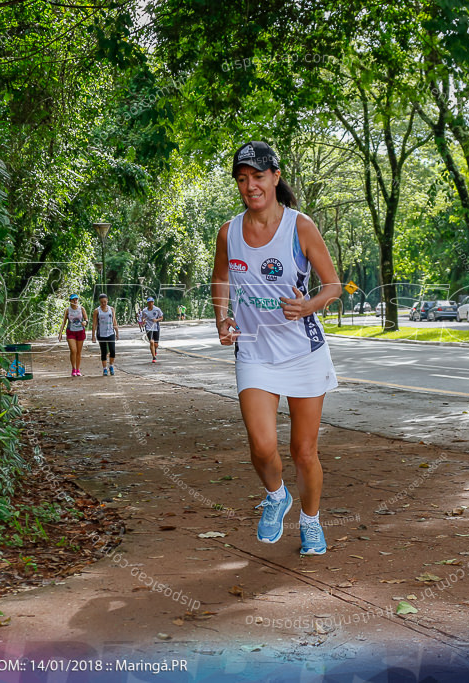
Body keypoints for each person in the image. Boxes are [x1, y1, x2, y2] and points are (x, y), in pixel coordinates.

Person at [212, 140, 341, 556]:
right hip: (253, 351)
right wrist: (222, 318)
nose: (250, 186)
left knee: (304, 451)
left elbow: (333, 285)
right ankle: (275, 496)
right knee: (262, 446)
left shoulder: (300, 227)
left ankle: (311, 521)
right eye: (242, 179)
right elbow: (220, 282)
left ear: (275, 178)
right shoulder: (229, 233)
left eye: (258, 177)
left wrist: (310, 304)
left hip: (303, 352)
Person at [91, 293, 120, 376]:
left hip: (110, 333)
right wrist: (93, 336)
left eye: (105, 301)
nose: (103, 303)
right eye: (101, 302)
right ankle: (104, 369)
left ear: (107, 301)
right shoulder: (97, 311)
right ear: (99, 302)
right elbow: (94, 324)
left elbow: (114, 321)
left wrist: (117, 332)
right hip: (101, 334)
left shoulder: (111, 309)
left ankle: (111, 365)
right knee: (104, 352)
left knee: (112, 351)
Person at [59, 294, 87, 376]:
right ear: (70, 301)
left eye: (76, 299)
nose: (75, 301)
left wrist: (85, 322)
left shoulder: (81, 309)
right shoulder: (67, 310)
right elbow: (64, 322)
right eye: (73, 300)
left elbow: (86, 319)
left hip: (80, 331)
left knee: (78, 352)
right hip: (71, 332)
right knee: (73, 350)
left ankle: (78, 369)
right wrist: (60, 333)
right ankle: (73, 368)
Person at [138, 297, 164, 363]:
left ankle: (154, 350)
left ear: (153, 302)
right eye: (149, 302)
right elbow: (142, 317)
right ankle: (154, 357)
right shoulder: (144, 310)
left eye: (151, 302)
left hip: (156, 327)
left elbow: (161, 317)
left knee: (156, 344)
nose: (150, 304)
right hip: (148, 328)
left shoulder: (157, 309)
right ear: (147, 303)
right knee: (151, 342)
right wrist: (143, 321)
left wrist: (156, 320)